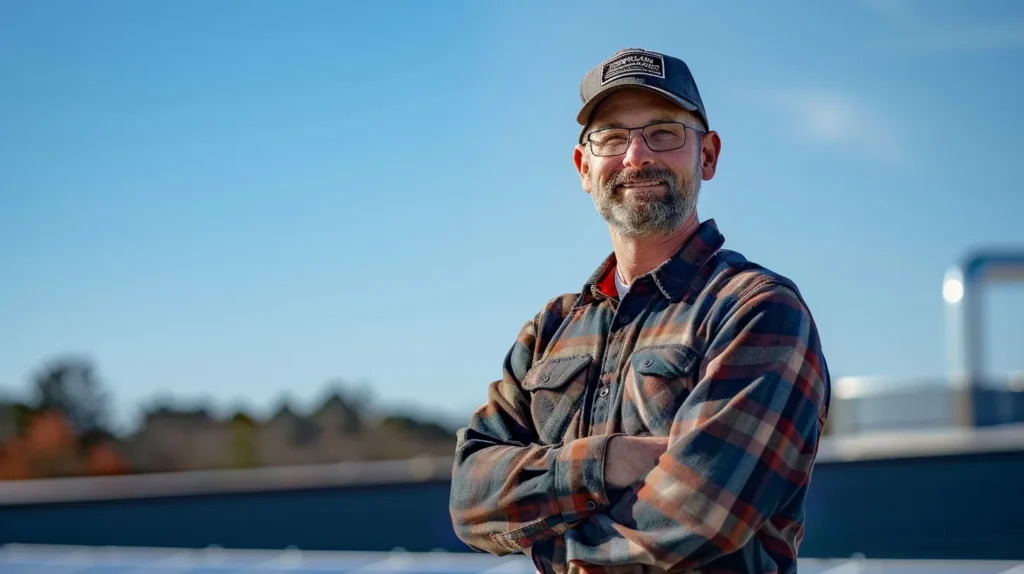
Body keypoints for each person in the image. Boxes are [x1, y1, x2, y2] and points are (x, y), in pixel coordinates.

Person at [449, 48, 831, 574]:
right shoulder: (551, 331)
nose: (636, 157)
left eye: (664, 133)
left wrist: (553, 551)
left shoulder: (757, 311)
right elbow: (469, 497)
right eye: (611, 137)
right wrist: (600, 463)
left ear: (709, 155)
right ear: (585, 167)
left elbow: (699, 517)